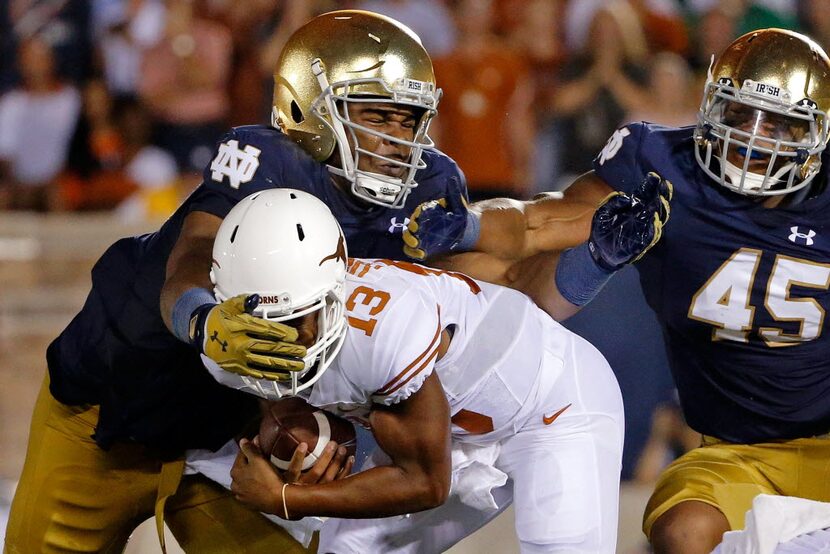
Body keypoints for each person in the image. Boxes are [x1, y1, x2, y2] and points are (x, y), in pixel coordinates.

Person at [5, 10, 467, 554]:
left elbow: (464, 288)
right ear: (308, 111)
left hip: (235, 441)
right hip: (111, 413)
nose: (396, 141)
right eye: (376, 116)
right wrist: (201, 319)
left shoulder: (429, 191)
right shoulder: (269, 159)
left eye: (408, 119)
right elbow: (196, 250)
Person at [403, 28, 830, 554]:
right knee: (685, 532)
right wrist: (466, 225)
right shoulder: (664, 167)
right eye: (740, 115)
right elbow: (540, 221)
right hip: (736, 452)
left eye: (781, 125)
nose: (752, 138)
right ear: (711, 105)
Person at [203, 188, 625, 553]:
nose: (293, 340)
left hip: (556, 403)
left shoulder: (386, 327)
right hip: (451, 430)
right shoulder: (226, 348)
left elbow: (426, 483)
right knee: (347, 549)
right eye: (266, 328)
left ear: (333, 289)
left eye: (301, 318)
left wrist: (285, 499)